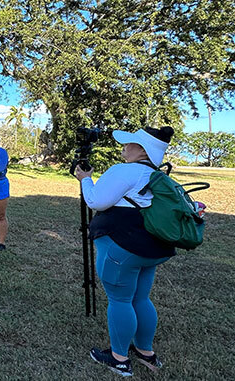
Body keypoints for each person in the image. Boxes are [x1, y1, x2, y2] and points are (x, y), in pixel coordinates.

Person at [74, 126, 176, 377]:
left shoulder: (123, 171)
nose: (123, 147)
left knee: (120, 300)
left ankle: (119, 359)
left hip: (121, 248)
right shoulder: (159, 175)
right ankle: (145, 352)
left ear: (140, 149)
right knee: (141, 298)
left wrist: (85, 179)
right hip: (151, 247)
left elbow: (97, 201)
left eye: (128, 143)